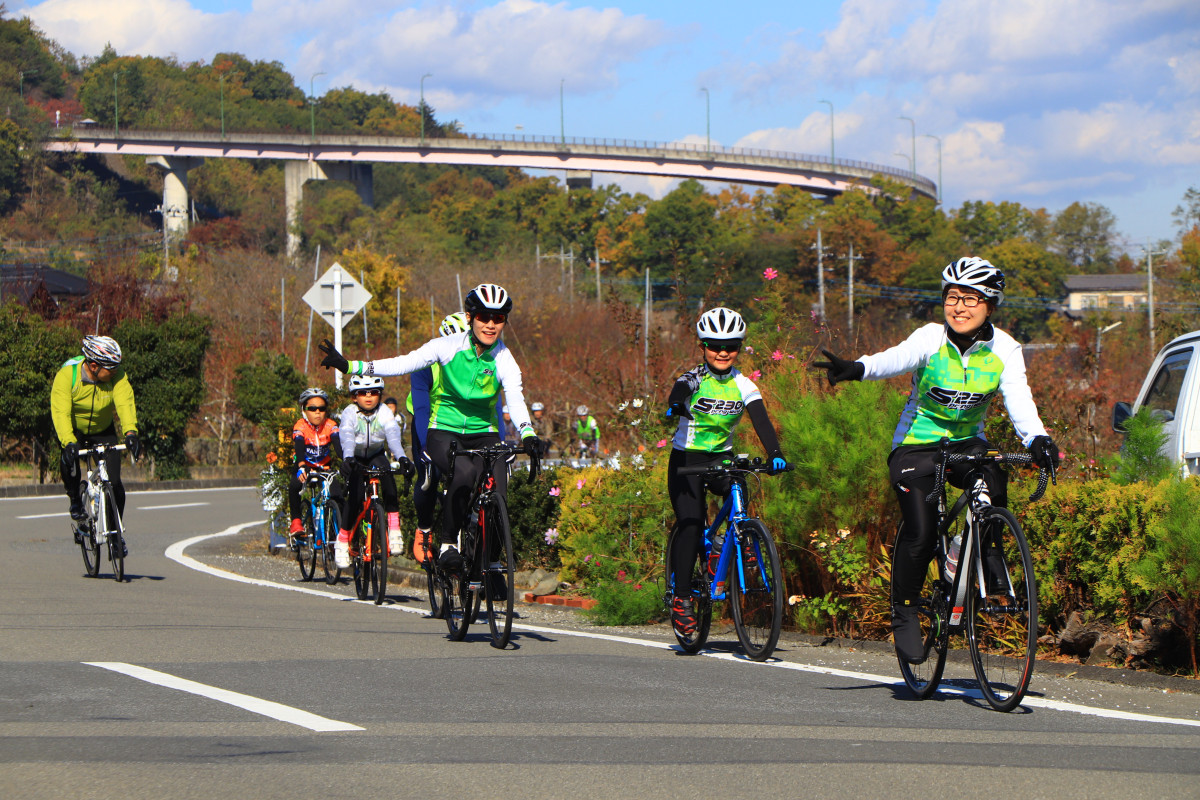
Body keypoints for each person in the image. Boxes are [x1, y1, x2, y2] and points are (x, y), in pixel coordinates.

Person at [813, 256, 1060, 664]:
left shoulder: (1005, 349)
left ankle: (980, 551)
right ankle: (905, 612)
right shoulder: (930, 338)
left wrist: (1038, 439)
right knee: (922, 529)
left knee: (993, 480)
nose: (959, 307)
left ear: (990, 307)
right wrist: (857, 368)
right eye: (952, 297)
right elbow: (896, 358)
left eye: (971, 299)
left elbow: (1020, 399)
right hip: (916, 447)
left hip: (967, 442)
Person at [320, 282, 541, 573]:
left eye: (498, 318)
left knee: (499, 488)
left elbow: (515, 396)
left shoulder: (504, 358)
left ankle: (493, 562)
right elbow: (403, 363)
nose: (490, 324)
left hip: (483, 431)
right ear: (470, 317)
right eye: (484, 317)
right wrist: (352, 366)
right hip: (444, 430)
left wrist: (528, 433)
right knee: (462, 474)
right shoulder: (446, 347)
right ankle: (448, 544)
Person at [664, 307, 787, 636]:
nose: (723, 351)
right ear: (702, 346)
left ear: (738, 348)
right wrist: (676, 405)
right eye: (715, 345)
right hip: (687, 460)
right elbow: (679, 392)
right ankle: (682, 598)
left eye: (731, 345)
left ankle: (735, 538)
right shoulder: (693, 378)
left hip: (721, 457)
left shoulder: (742, 384)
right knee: (691, 524)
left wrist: (775, 453)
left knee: (740, 488)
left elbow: (760, 418)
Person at [405, 311, 507, 563]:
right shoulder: (429, 364)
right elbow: (421, 410)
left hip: (472, 429)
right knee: (430, 476)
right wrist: (425, 451)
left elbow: (494, 408)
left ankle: (485, 549)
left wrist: (502, 445)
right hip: (430, 424)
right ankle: (425, 529)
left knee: (487, 476)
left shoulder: (485, 362)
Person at [51, 336, 142, 544]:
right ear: (93, 366)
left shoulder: (117, 375)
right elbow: (60, 412)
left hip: (103, 430)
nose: (114, 373)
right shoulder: (67, 376)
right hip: (75, 431)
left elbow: (125, 403)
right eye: (110, 369)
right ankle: (75, 499)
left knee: (116, 483)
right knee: (69, 461)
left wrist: (130, 433)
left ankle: (114, 532)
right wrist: (68, 442)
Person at [334, 375, 412, 569]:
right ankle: (342, 540)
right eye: (362, 393)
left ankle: (394, 530)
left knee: (389, 484)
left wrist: (402, 457)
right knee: (356, 496)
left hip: (376, 454)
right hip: (356, 456)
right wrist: (348, 458)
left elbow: (393, 436)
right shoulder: (349, 413)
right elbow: (347, 436)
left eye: (374, 393)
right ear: (354, 397)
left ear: (380, 395)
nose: (368, 397)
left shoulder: (384, 411)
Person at [287, 388, 342, 539]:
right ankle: (296, 521)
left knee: (338, 495)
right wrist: (301, 465)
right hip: (304, 464)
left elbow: (338, 447)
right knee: (294, 485)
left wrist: (348, 462)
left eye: (321, 408)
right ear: (304, 410)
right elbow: (299, 447)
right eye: (312, 408)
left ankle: (336, 534)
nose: (317, 412)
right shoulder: (300, 426)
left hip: (324, 466)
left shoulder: (331, 425)